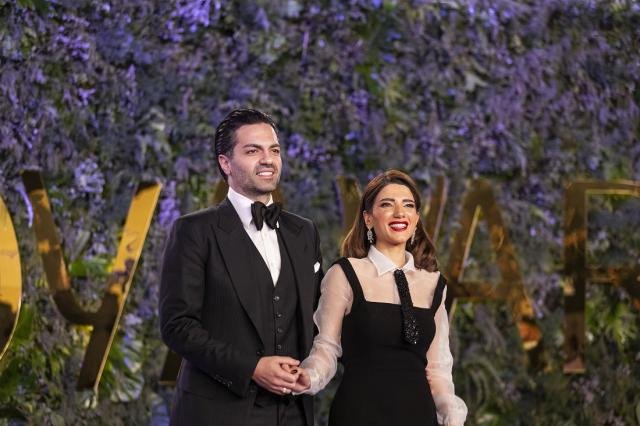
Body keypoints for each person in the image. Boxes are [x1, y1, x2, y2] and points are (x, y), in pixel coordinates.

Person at [159, 108, 323, 426]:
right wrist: (252, 368)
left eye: (274, 150)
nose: (268, 160)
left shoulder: (304, 231)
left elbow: (318, 316)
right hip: (218, 413)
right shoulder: (194, 231)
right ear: (225, 163)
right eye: (253, 151)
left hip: (293, 412)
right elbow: (177, 326)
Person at [291, 170, 467, 426]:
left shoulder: (434, 284)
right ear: (368, 218)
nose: (399, 213)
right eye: (387, 204)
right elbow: (327, 347)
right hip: (359, 414)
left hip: (419, 416)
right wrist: (307, 376)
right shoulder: (344, 273)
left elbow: (437, 369)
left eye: (408, 205)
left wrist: (452, 417)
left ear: (417, 219)